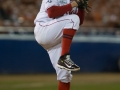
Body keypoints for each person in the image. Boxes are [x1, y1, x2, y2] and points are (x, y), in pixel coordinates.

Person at [34, 0, 85, 90]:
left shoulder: (73, 1)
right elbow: (51, 12)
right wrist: (73, 4)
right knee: (73, 19)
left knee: (65, 76)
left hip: (55, 40)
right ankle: (64, 58)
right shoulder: (72, 2)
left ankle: (64, 60)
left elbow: (79, 22)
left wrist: (82, 7)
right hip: (44, 29)